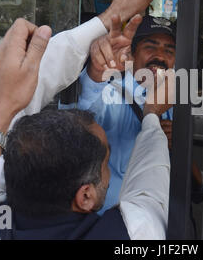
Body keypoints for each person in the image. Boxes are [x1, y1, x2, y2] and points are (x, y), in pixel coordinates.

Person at [0, 14, 173, 240]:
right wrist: (151, 117)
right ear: (85, 196)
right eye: (105, 161)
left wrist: (109, 15)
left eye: (170, 49)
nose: (160, 55)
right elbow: (150, 190)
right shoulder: (129, 233)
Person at [59, 14, 176, 214]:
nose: (160, 56)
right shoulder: (108, 90)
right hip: (106, 223)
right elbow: (78, 116)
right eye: (151, 46)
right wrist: (95, 74)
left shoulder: (174, 100)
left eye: (169, 50)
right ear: (132, 52)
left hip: (155, 219)